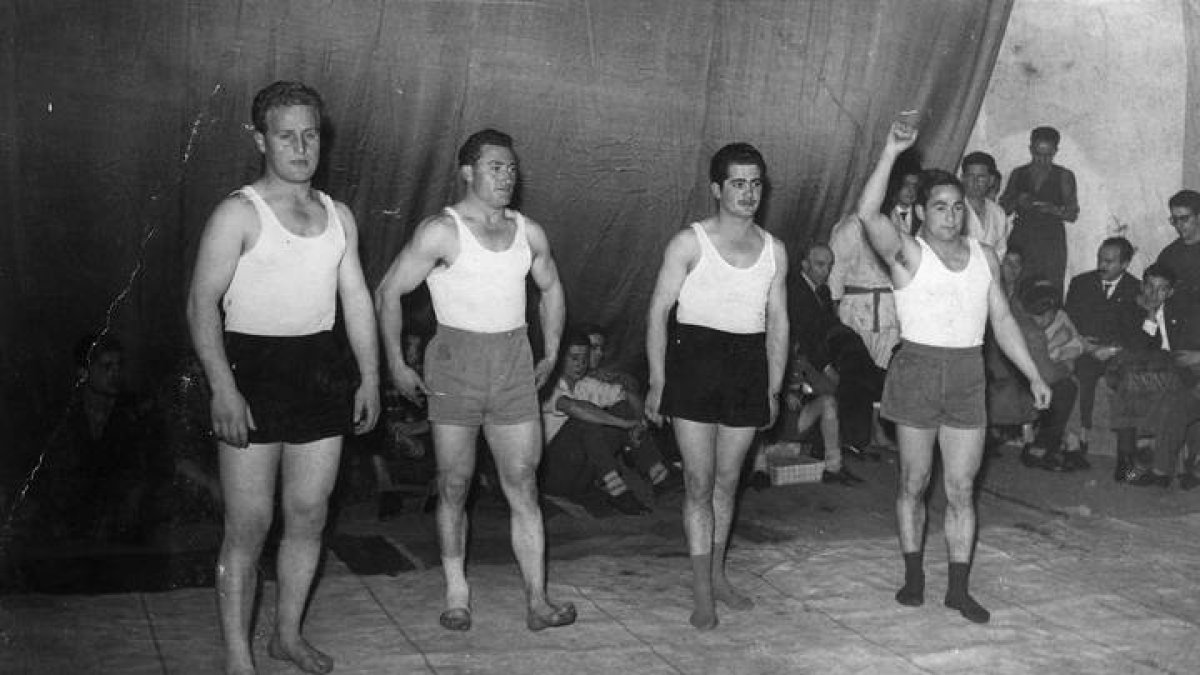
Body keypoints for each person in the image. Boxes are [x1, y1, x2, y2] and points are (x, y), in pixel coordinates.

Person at [186, 81, 380, 675]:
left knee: (308, 513)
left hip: (320, 370)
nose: (301, 146)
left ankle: (286, 636)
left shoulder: (339, 216)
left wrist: (369, 378)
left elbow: (357, 302)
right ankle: (239, 659)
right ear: (260, 139)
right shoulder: (238, 212)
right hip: (251, 372)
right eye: (286, 134)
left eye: (311, 134)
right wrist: (222, 386)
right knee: (249, 524)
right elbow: (201, 305)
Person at [374, 128, 576, 633]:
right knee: (455, 484)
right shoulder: (441, 231)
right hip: (455, 364)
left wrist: (551, 351)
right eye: (495, 167)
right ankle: (457, 594)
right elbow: (387, 291)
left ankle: (538, 600)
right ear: (467, 172)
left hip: (512, 363)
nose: (507, 177)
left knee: (523, 482)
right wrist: (397, 363)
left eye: (511, 168)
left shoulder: (529, 232)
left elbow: (551, 290)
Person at [856, 121, 1050, 624]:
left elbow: (1003, 321)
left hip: (966, 373)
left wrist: (1032, 374)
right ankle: (914, 576)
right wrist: (890, 150)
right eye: (939, 206)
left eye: (957, 206)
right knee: (914, 482)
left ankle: (958, 589)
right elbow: (865, 214)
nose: (950, 215)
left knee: (962, 488)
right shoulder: (908, 255)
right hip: (917, 370)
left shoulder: (985, 256)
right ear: (921, 212)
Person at [645, 142, 788, 630]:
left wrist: (772, 386)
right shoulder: (689, 243)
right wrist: (658, 380)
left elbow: (778, 321)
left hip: (747, 367)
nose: (748, 193)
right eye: (738, 183)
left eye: (756, 183)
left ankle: (719, 574)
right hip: (693, 363)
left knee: (729, 482)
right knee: (698, 483)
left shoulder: (774, 250)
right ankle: (702, 590)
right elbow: (659, 310)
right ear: (716, 189)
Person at [541, 331, 680, 514]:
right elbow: (575, 408)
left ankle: (659, 477)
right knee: (584, 420)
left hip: (583, 472)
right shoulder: (547, 387)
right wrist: (622, 424)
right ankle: (618, 491)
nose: (580, 364)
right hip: (553, 474)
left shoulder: (586, 384)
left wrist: (637, 424)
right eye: (574, 358)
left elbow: (628, 396)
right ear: (558, 359)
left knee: (622, 408)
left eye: (584, 358)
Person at [786, 244, 863, 484]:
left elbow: (830, 330)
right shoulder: (794, 291)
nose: (826, 270)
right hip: (797, 361)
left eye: (830, 265)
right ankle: (829, 455)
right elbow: (806, 339)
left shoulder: (823, 292)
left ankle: (830, 455)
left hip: (816, 358)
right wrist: (828, 367)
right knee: (836, 390)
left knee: (850, 383)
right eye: (820, 265)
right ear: (804, 265)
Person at [1063, 237, 1143, 467]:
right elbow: (1068, 323)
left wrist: (1114, 350)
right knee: (1079, 374)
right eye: (1100, 259)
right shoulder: (1081, 283)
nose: (1102, 265)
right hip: (1086, 350)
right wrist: (1089, 347)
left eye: (1109, 261)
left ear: (1125, 264)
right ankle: (1073, 445)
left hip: (1118, 354)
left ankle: (1126, 456)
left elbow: (1137, 334)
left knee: (1126, 379)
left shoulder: (1136, 289)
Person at [999, 126, 1079, 298]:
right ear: (1030, 149)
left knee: (1048, 288)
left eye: (1048, 155)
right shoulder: (1019, 174)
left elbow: (1072, 214)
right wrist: (1018, 200)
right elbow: (1002, 209)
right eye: (1037, 154)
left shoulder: (1064, 176)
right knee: (1017, 285)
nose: (1042, 160)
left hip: (1050, 240)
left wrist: (1054, 210)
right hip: (1021, 237)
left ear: (1056, 151)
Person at [1015, 281, 1083, 471]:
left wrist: (1064, 352)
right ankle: (1045, 447)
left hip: (1043, 369)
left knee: (1070, 383)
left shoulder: (1059, 319)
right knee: (1066, 387)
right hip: (1025, 377)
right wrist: (1060, 354)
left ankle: (1067, 444)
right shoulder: (1030, 328)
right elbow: (1044, 370)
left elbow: (1077, 344)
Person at [961, 151, 1010, 258]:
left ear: (991, 180)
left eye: (981, 177)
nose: (975, 182)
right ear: (963, 178)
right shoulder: (953, 208)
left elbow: (1000, 252)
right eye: (970, 176)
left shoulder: (998, 213)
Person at [1156, 189, 1200, 306]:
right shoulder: (1168, 255)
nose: (1178, 225)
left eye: (1184, 219)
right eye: (1174, 220)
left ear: (1198, 217)